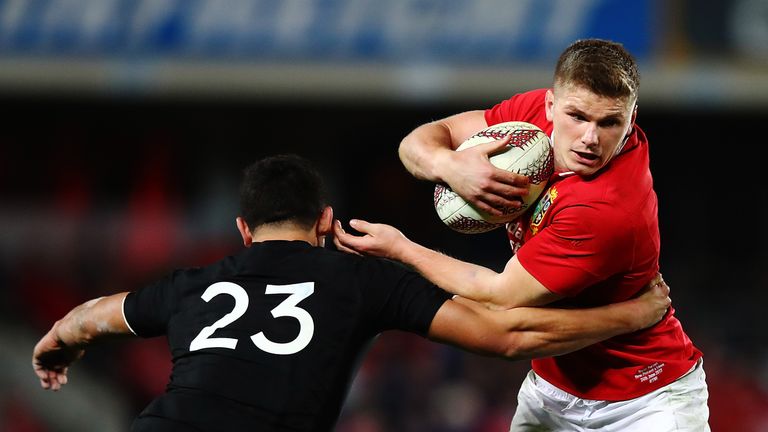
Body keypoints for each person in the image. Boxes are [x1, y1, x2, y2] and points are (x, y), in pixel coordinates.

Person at [32, 154, 671, 432]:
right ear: (326, 221)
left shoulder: (190, 285)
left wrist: (55, 348)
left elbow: (91, 318)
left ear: (242, 230)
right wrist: (632, 313)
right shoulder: (359, 278)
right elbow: (507, 336)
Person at [333, 39, 710, 431]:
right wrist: (450, 165)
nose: (589, 138)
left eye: (609, 122)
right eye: (577, 116)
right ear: (550, 105)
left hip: (644, 402)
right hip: (551, 390)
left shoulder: (608, 208)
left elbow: (498, 296)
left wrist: (401, 248)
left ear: (632, 118)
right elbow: (424, 139)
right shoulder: (532, 119)